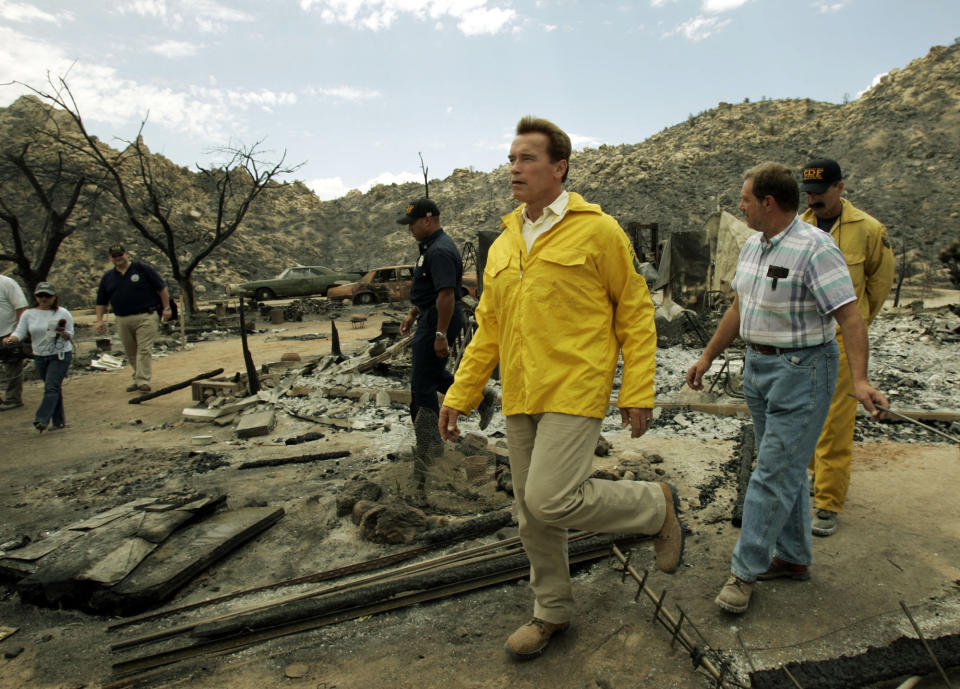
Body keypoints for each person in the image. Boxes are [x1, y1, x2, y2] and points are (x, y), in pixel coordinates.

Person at [438, 116, 683, 660]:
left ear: (559, 167)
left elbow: (636, 312)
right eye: (511, 158)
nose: (514, 169)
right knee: (530, 514)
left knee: (551, 498)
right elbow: (489, 330)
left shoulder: (598, 230)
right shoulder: (502, 244)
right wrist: (461, 392)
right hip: (523, 391)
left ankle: (651, 507)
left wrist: (636, 388)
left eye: (526, 158)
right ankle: (551, 611)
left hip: (577, 385)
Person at [685, 162, 888, 614]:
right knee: (787, 468)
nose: (740, 205)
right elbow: (741, 306)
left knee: (771, 473)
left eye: (745, 199)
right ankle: (794, 558)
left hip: (804, 371)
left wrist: (859, 380)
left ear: (768, 203)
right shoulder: (754, 246)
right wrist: (707, 356)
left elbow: (850, 316)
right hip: (758, 369)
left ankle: (744, 571)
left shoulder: (816, 249)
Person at [799, 158, 895, 537]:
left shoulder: (869, 230)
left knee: (837, 422)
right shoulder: (799, 227)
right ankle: (814, 475)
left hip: (841, 341)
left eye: (820, 194)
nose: (814, 200)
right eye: (809, 193)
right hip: (805, 339)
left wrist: (858, 327)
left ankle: (828, 502)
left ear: (840, 188)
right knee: (805, 415)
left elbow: (879, 284)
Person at [95, 244, 172, 392]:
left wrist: (166, 307)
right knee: (131, 351)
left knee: (144, 349)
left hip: (145, 316)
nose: (118, 258)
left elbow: (161, 288)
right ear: (110, 258)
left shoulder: (142, 269)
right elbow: (101, 301)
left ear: (126, 254)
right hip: (122, 319)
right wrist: (99, 320)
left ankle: (143, 381)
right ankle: (137, 378)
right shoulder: (108, 277)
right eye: (114, 256)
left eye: (120, 255)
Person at [2, 282, 75, 432]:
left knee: (50, 387)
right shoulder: (29, 314)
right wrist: (10, 339)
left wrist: (63, 334)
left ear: (54, 297)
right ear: (35, 297)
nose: (44, 298)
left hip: (60, 355)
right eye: (40, 295)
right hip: (40, 356)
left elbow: (70, 334)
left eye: (47, 295)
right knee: (53, 388)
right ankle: (59, 421)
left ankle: (41, 419)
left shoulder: (63, 313)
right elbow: (19, 332)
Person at [0, 273, 29, 411]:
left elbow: (21, 308)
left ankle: (13, 398)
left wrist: (19, 332)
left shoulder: (6, 282)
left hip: (8, 333)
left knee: (12, 367)